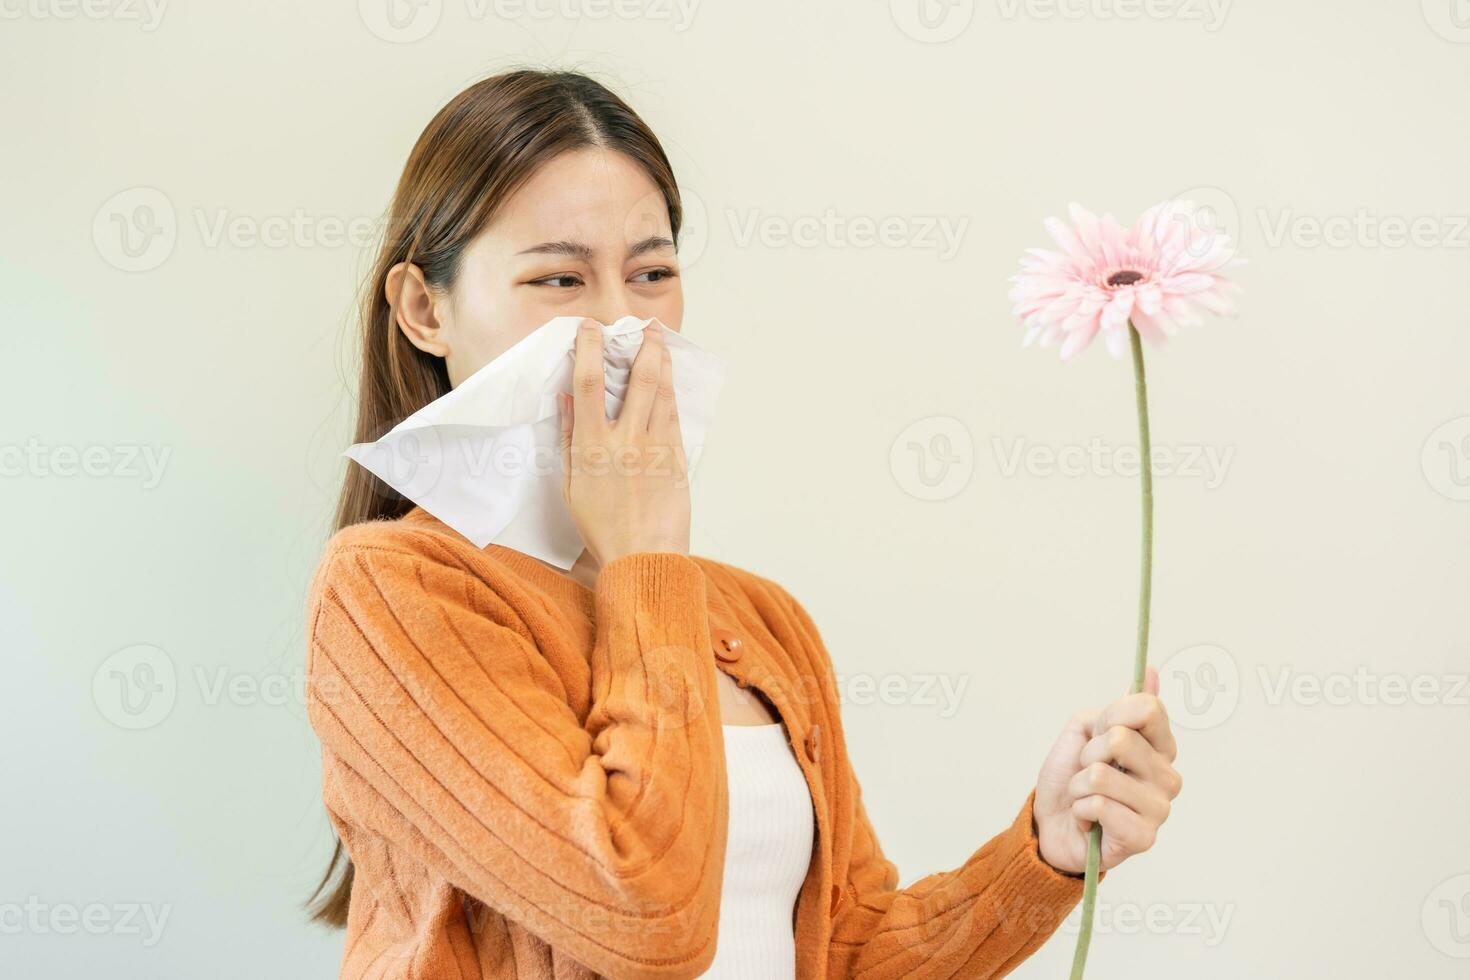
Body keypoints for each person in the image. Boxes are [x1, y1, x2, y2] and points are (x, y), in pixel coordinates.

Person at [303, 69, 1183, 980]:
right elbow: (644, 914)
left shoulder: (759, 622)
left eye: (652, 274)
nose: (619, 324)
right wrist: (644, 556)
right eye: (559, 277)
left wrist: (1045, 850)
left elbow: (843, 952)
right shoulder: (392, 591)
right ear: (423, 309)